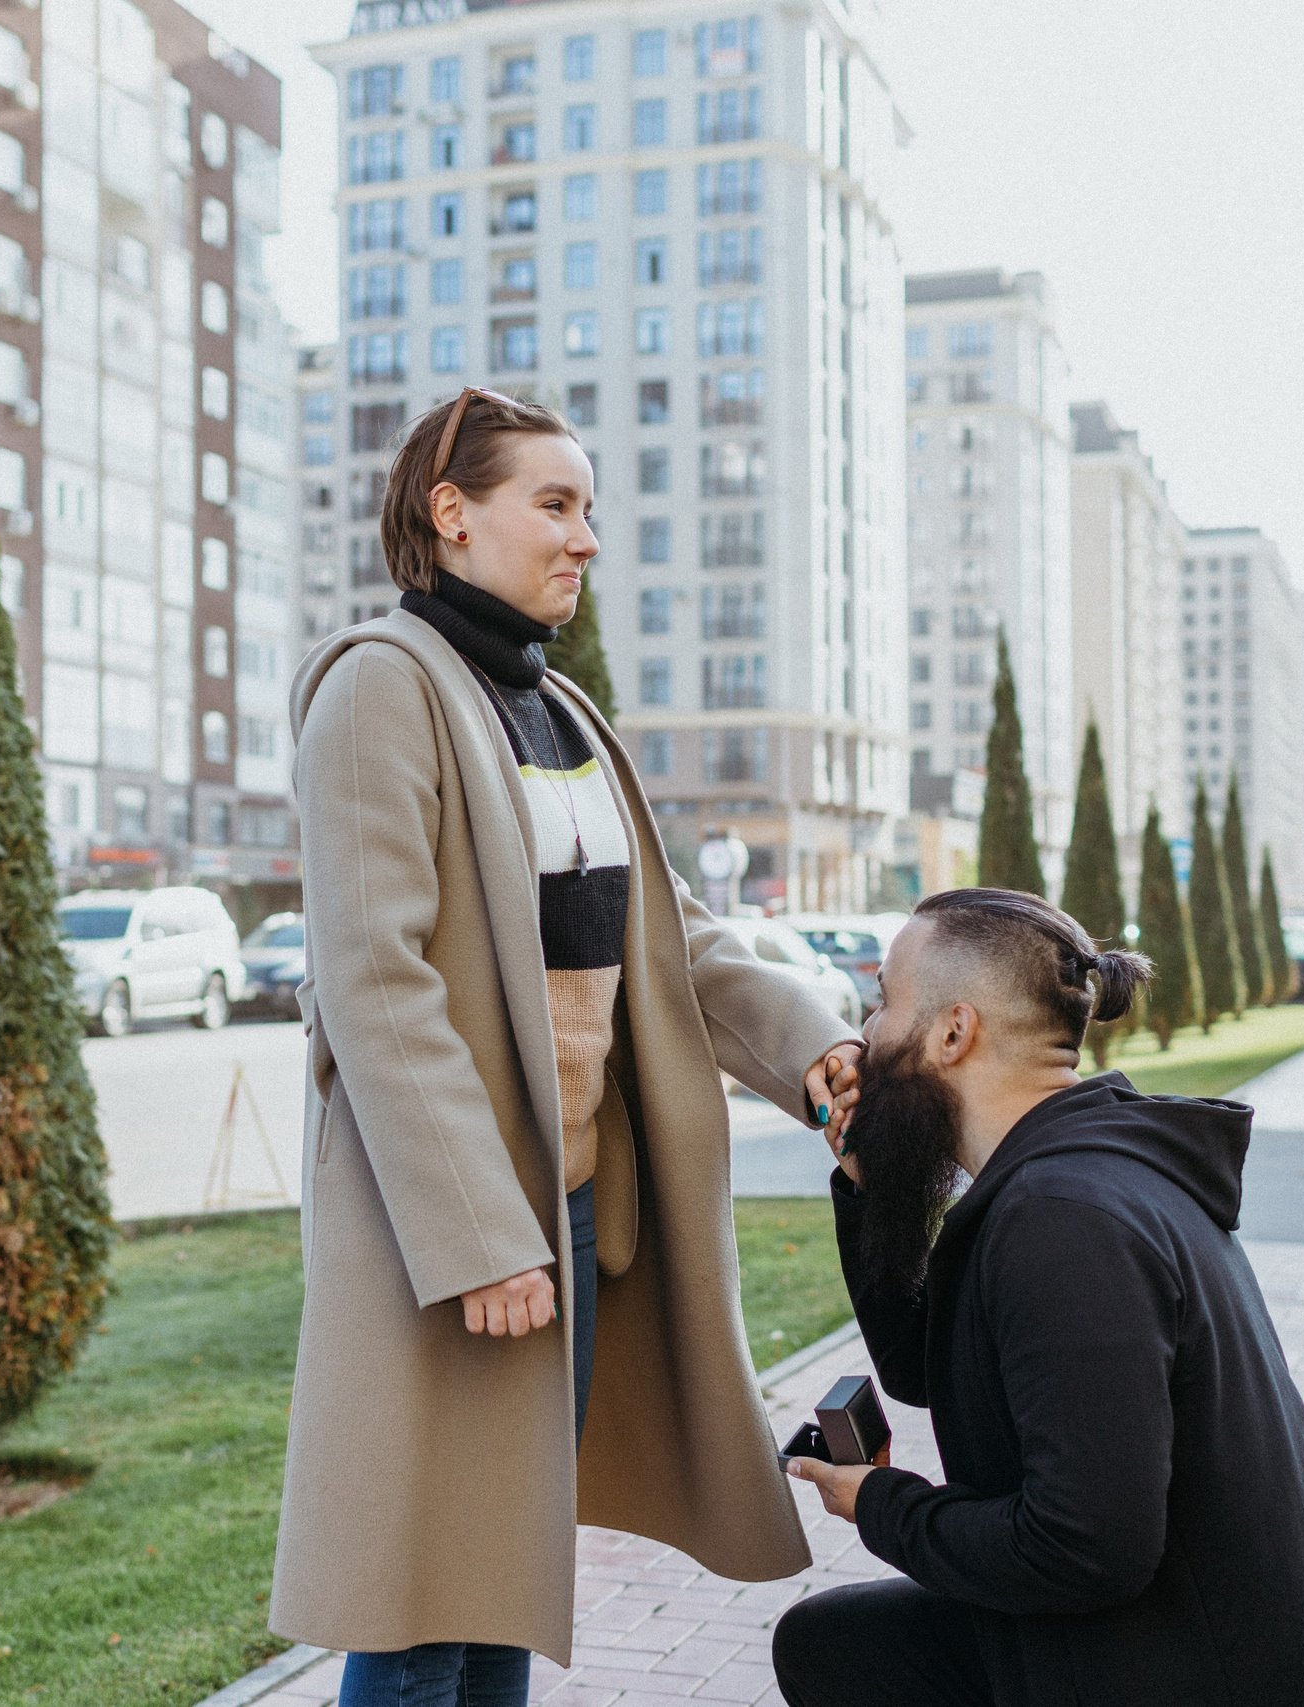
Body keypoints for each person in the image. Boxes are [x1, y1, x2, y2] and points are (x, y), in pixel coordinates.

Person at [271, 387, 861, 1703]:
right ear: (451, 515)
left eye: (588, 507)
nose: (585, 536)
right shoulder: (381, 688)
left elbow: (674, 937)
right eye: (555, 503)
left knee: (504, 1580)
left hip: (574, 1212)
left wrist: (814, 1049)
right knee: (423, 1600)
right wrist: (482, 1233)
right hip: (457, 1231)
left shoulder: (563, 714)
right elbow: (377, 980)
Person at [777, 887, 1304, 1707]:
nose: (866, 1035)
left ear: (954, 1031)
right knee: (836, 1645)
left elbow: (1085, 1548)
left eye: (884, 1001)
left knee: (849, 1652)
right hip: (1148, 1638)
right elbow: (927, 1368)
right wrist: (870, 1183)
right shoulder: (1066, 1171)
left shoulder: (1064, 1221)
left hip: (1207, 1675)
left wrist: (886, 1507)